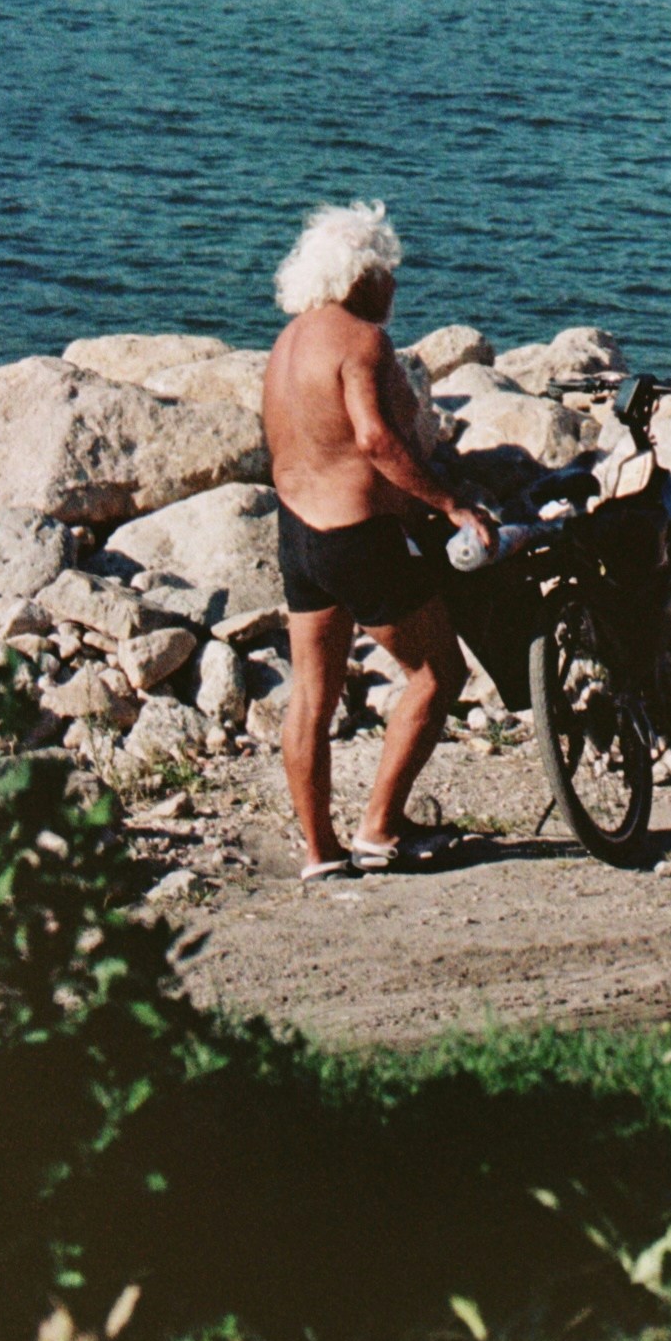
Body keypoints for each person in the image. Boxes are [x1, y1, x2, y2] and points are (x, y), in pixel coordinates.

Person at [261, 200, 492, 881]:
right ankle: (380, 830)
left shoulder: (287, 342)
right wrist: (449, 503)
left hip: (297, 532)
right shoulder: (362, 342)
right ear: (362, 276)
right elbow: (373, 438)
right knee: (436, 674)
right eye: (388, 270)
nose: (394, 283)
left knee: (312, 694)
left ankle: (319, 852)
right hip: (355, 538)